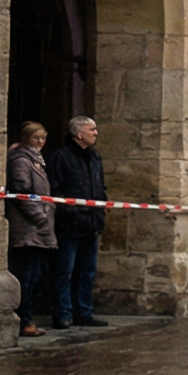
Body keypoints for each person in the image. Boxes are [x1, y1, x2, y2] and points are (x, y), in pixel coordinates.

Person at [46, 115, 109, 328]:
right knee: (65, 270)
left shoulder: (95, 157)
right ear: (78, 133)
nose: (96, 133)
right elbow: (56, 189)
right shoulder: (60, 157)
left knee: (87, 271)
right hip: (69, 224)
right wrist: (71, 212)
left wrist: (101, 207)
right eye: (92, 129)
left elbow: (100, 186)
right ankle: (62, 312)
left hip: (92, 222)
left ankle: (84, 311)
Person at [6, 122, 58, 337]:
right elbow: (22, 191)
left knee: (35, 274)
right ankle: (23, 320)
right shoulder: (21, 160)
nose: (40, 142)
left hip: (38, 227)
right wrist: (40, 217)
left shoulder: (36, 160)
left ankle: (27, 317)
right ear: (27, 138)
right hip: (28, 228)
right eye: (36, 137)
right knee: (26, 275)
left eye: (43, 138)